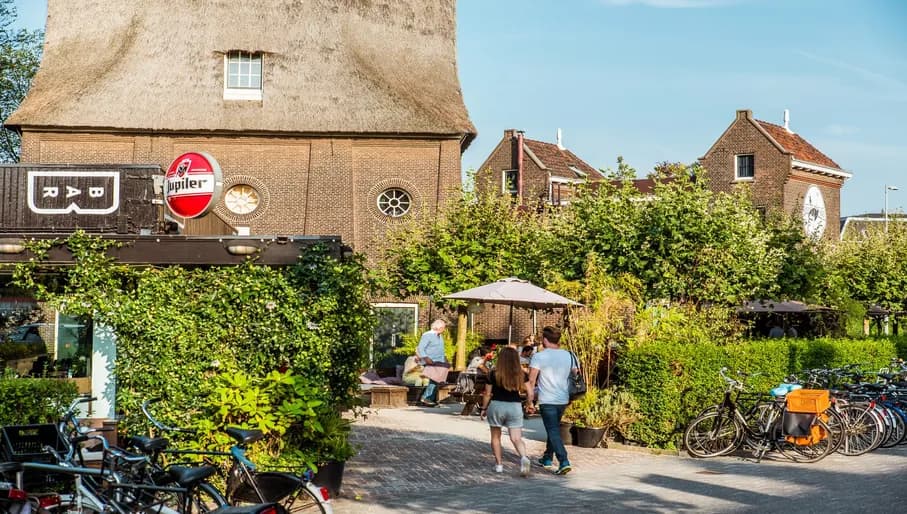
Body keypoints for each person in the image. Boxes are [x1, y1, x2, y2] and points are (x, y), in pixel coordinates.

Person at [526, 326, 576, 475]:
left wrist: (529, 402)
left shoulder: (539, 356)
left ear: (545, 340)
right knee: (552, 428)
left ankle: (564, 461)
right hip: (563, 398)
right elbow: (575, 374)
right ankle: (547, 458)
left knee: (553, 430)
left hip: (547, 399)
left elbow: (531, 381)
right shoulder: (569, 355)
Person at [479, 347, 531, 476]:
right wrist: (529, 404)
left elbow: (487, 394)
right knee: (516, 438)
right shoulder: (521, 374)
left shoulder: (492, 373)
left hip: (497, 405)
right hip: (515, 406)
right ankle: (524, 457)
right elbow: (530, 392)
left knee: (496, 437)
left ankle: (499, 465)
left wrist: (484, 408)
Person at [415, 319, 448, 407]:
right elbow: (420, 348)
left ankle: (430, 399)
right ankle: (426, 398)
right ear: (439, 327)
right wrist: (426, 358)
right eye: (443, 327)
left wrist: (445, 359)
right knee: (435, 379)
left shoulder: (440, 336)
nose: (444, 329)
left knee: (437, 380)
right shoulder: (427, 335)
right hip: (430, 361)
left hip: (439, 362)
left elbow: (441, 349)